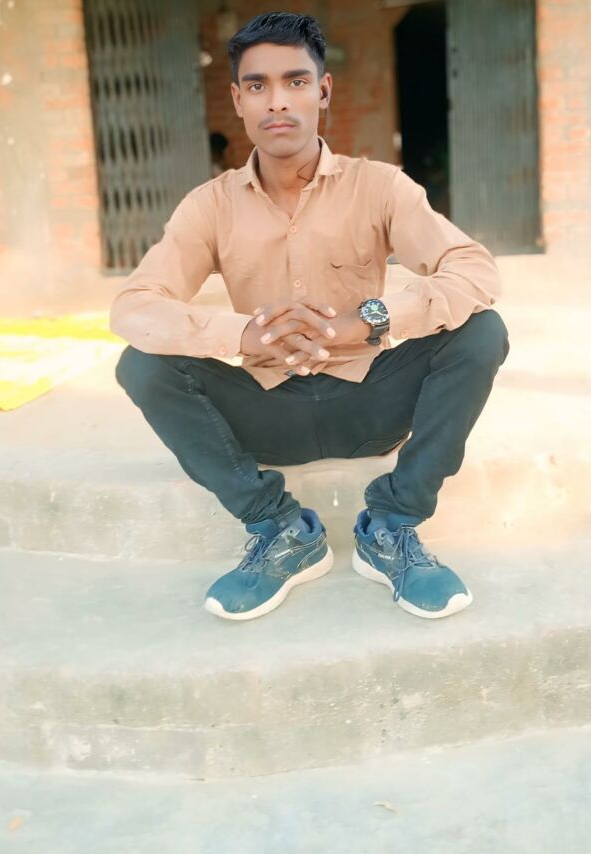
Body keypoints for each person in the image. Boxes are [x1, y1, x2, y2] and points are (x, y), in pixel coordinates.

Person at [110, 12, 510, 623]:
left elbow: (474, 269)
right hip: (266, 410)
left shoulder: (380, 187)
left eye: (296, 82)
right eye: (258, 85)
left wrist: (369, 319)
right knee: (142, 365)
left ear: (322, 92)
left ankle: (392, 526)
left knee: (482, 332)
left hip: (371, 402)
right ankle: (280, 531)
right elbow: (135, 305)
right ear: (238, 100)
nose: (277, 101)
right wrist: (244, 333)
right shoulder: (209, 206)